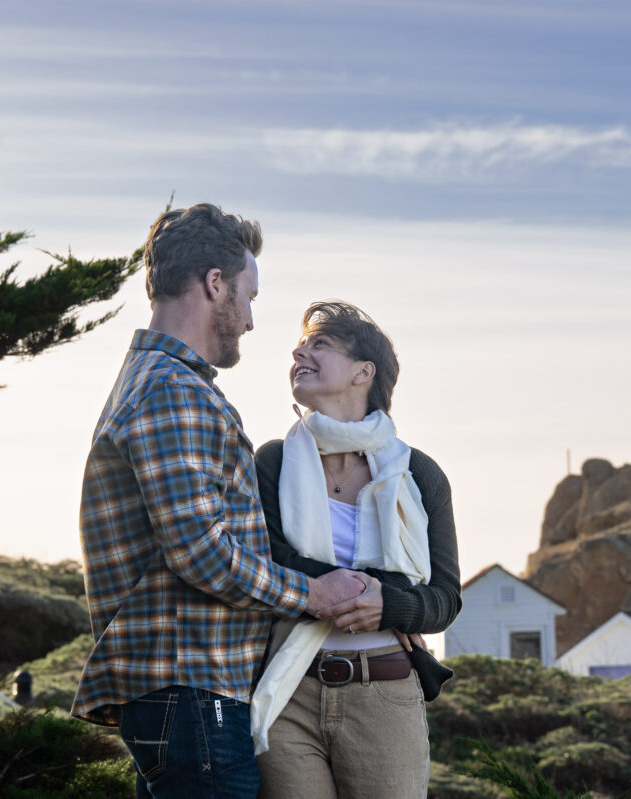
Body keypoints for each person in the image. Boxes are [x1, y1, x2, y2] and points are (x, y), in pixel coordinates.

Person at [72, 204, 368, 799]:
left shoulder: (153, 381)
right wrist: (315, 593)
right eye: (249, 296)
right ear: (215, 285)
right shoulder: (172, 391)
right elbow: (201, 554)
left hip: (182, 695)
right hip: (191, 689)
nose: (252, 320)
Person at [251, 301, 461, 799]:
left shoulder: (419, 474)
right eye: (300, 344)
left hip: (385, 694)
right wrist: (369, 591)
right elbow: (268, 561)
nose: (300, 351)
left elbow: (445, 600)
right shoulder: (273, 462)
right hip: (288, 693)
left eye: (319, 343)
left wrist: (387, 604)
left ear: (363, 372)